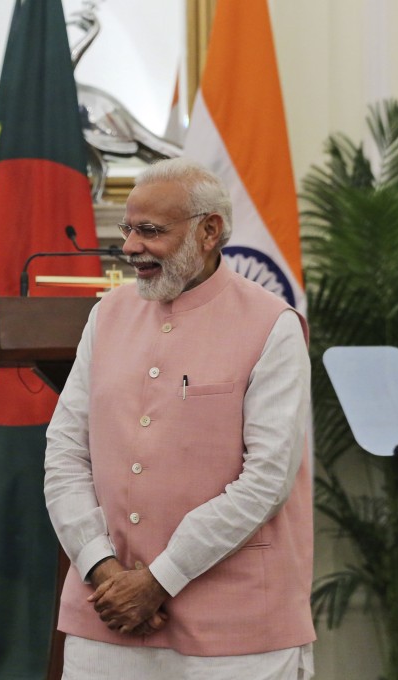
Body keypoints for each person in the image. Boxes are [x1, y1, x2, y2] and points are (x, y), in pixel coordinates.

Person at [44, 158, 315, 679]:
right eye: (128, 229)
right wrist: (102, 569)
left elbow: (266, 481)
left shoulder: (272, 326)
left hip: (238, 630)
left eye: (150, 231)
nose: (130, 247)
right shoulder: (107, 315)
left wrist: (158, 581)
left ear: (209, 230)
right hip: (106, 618)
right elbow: (65, 454)